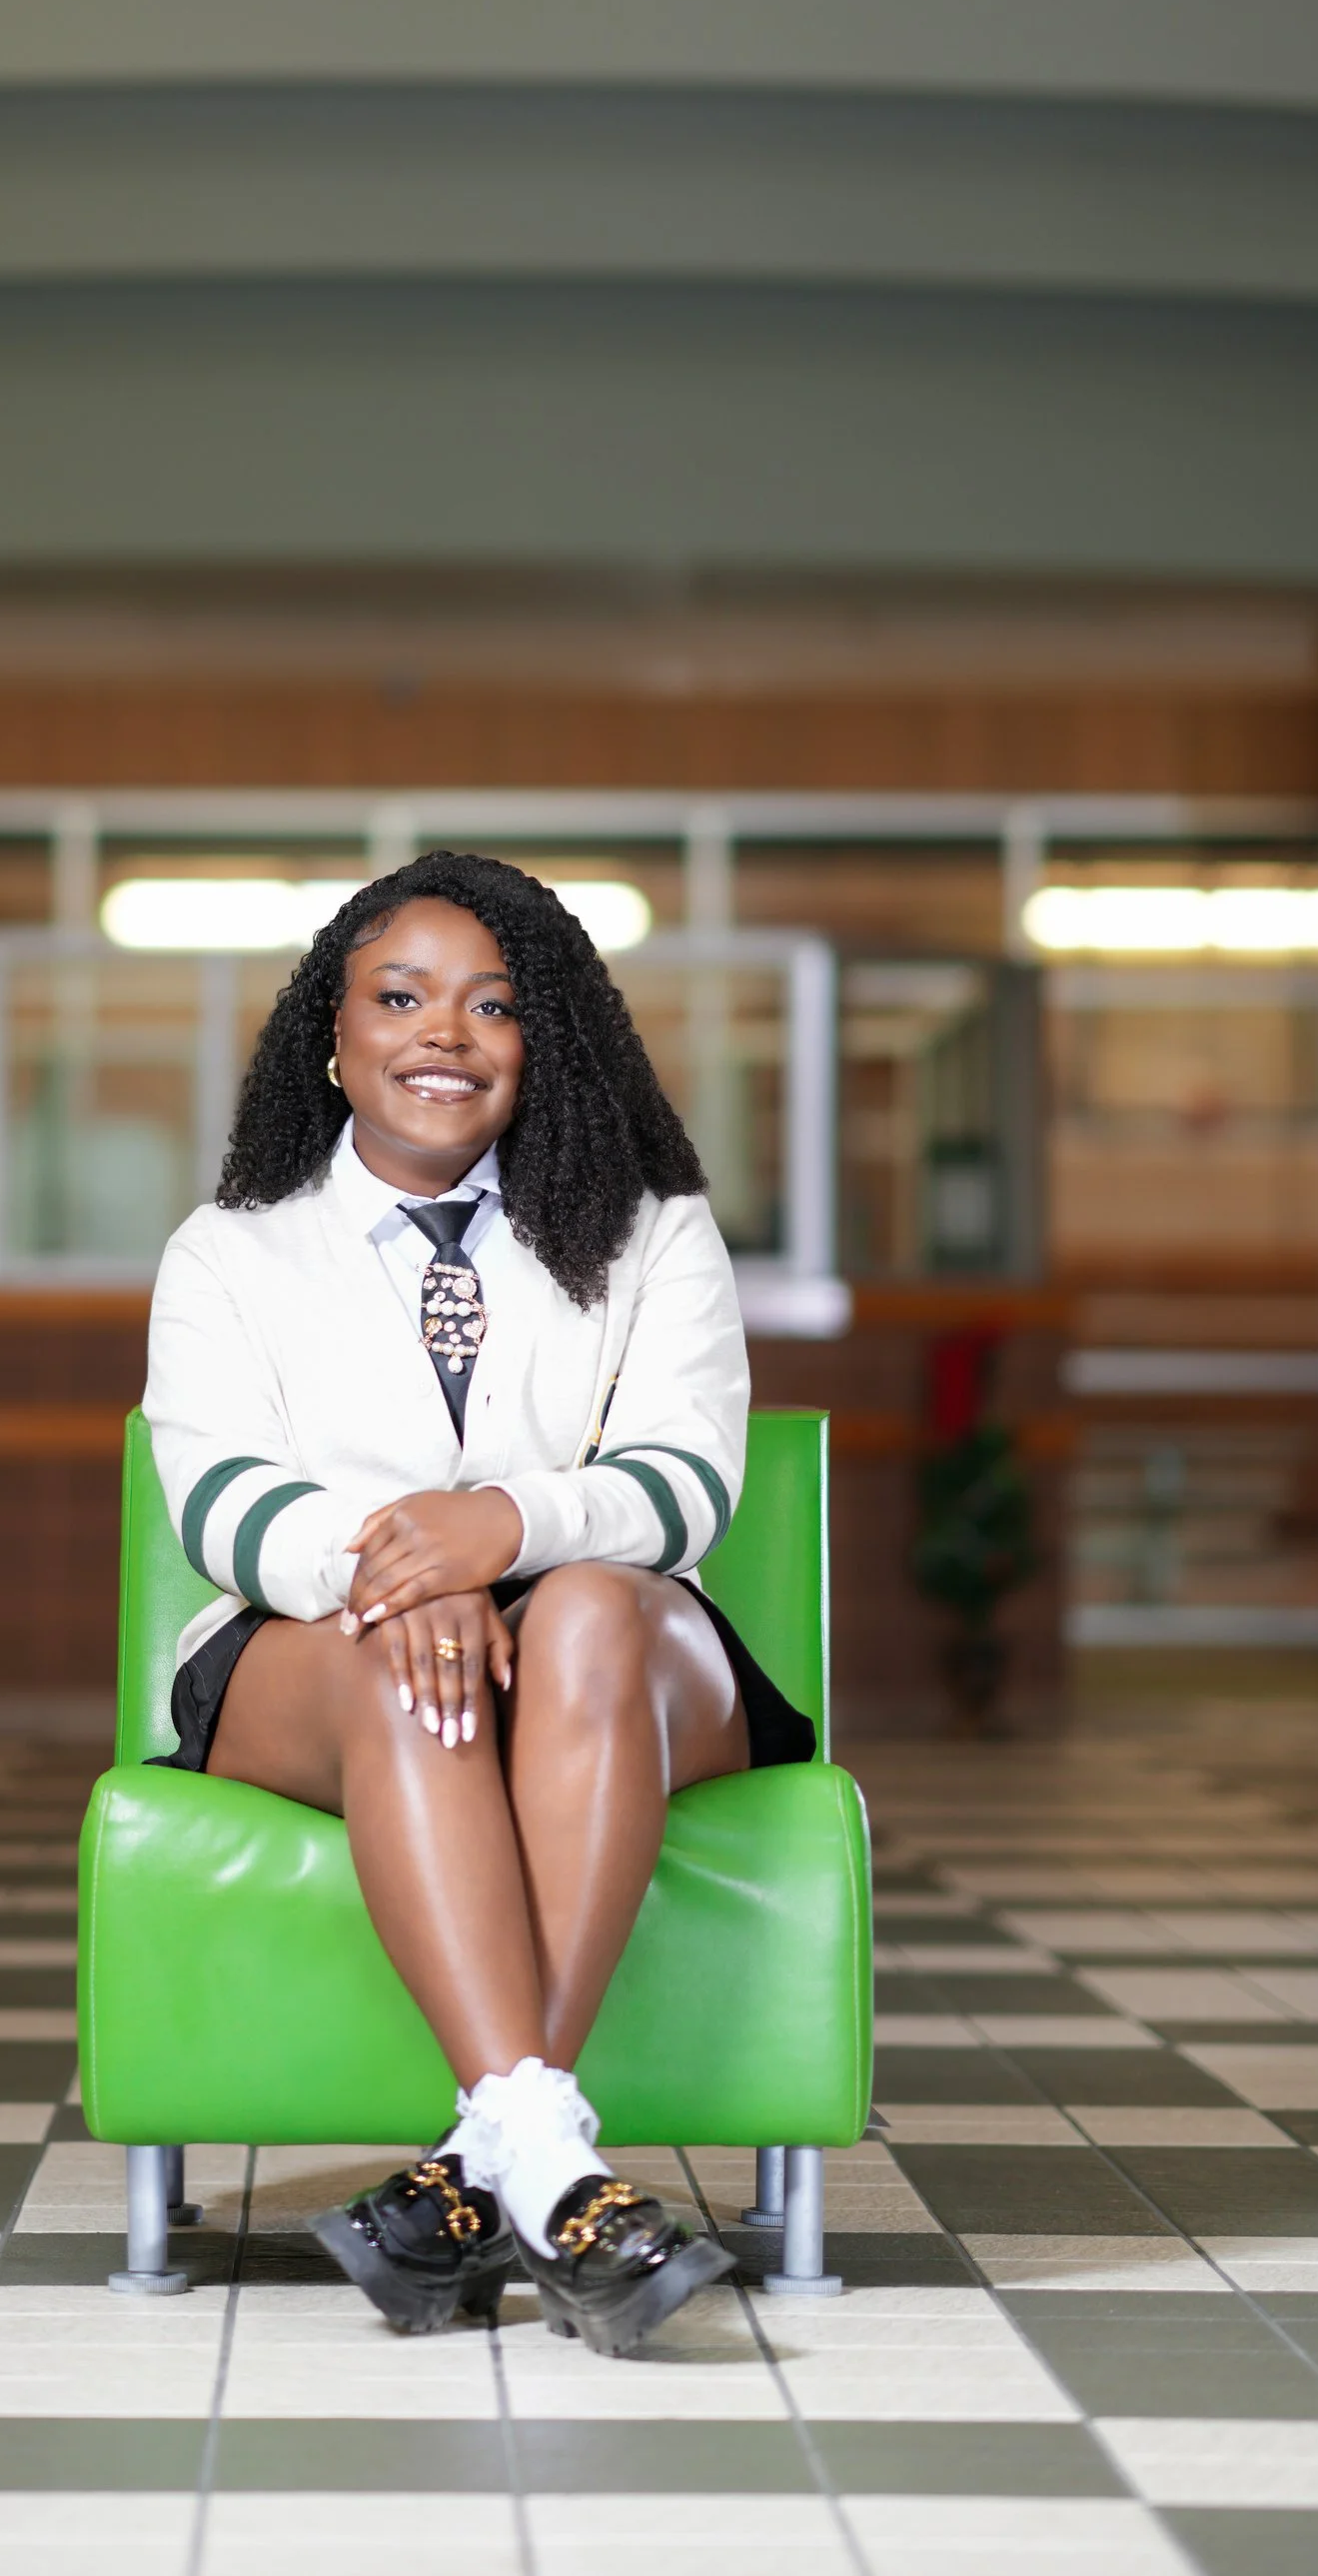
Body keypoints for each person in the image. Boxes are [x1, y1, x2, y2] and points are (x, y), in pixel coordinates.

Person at [141, 852, 816, 2355]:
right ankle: (550, 2169)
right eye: (399, 997)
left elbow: (686, 1482)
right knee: (403, 1667)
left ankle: (486, 2164)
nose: (443, 1032)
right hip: (327, 1641)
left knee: (582, 1607)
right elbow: (223, 1503)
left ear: (545, 1045)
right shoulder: (230, 1253)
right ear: (333, 1034)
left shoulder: (651, 1228)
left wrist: (501, 1528)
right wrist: (401, 1572)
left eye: (493, 1006)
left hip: (618, 1653)